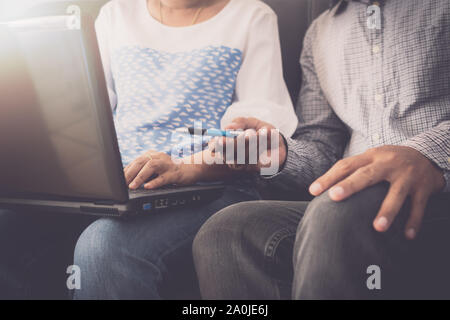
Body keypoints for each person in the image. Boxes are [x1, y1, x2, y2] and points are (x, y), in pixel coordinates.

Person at [193, 0, 450, 299]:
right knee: (227, 231)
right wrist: (284, 156)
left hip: (435, 197)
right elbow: (323, 149)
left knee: (338, 211)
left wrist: (427, 153)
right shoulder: (320, 32)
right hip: (342, 205)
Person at [71, 0, 297, 299]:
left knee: (103, 245)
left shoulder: (251, 16)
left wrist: (186, 167)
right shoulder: (116, 14)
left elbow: (259, 142)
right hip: (122, 183)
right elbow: (82, 114)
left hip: (211, 187)